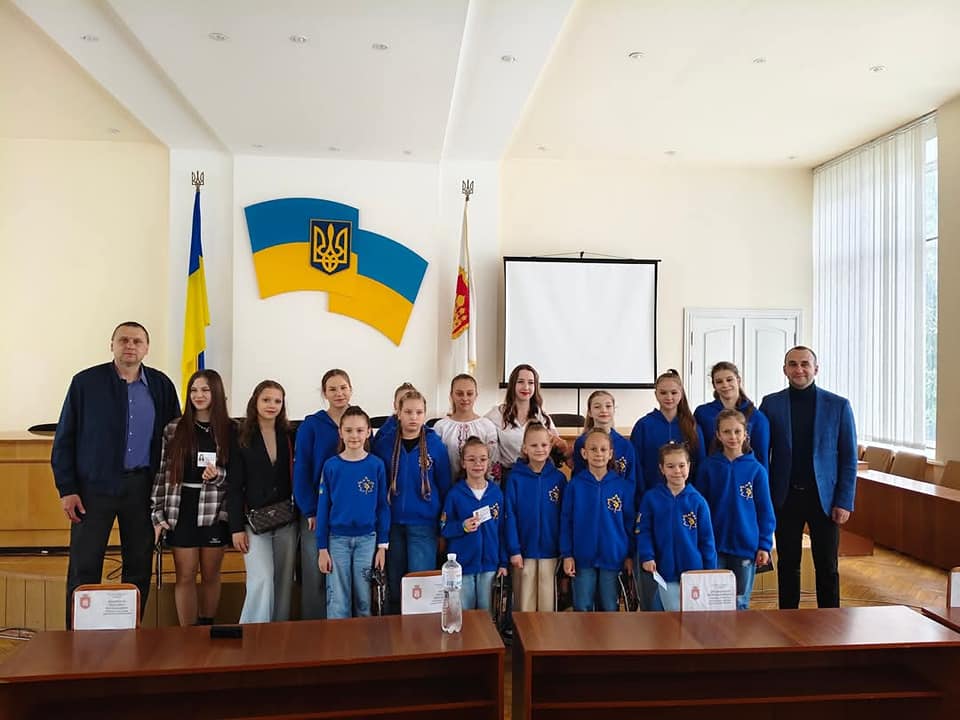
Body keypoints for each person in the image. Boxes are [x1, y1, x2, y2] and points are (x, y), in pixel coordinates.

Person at [52, 321, 180, 628]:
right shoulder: (85, 383)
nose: (130, 346)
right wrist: (67, 489)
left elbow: (175, 441)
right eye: (123, 340)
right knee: (85, 564)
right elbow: (65, 438)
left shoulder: (161, 385)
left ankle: (130, 631)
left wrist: (166, 497)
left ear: (147, 348)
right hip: (93, 490)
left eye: (137, 341)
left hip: (143, 489)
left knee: (138, 564)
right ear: (112, 345)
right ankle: (77, 634)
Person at [759, 346, 857, 609]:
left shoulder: (838, 405)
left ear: (816, 368)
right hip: (785, 498)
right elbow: (762, 454)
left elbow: (848, 458)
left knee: (827, 566)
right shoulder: (771, 404)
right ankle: (788, 621)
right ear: (785, 370)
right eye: (793, 364)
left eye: (805, 364)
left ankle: (830, 621)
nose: (799, 369)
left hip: (825, 500)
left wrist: (844, 501)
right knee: (787, 565)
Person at [151, 369, 233, 626]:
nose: (198, 395)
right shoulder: (174, 428)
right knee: (185, 575)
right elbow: (161, 473)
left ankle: (206, 627)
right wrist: (157, 513)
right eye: (194, 390)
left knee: (211, 574)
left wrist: (219, 475)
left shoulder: (231, 429)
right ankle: (188, 635)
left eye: (205, 390)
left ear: (216, 392)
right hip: (181, 508)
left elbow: (240, 476)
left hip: (215, 511)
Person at [374, 389, 452, 613]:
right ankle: (395, 630)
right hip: (392, 524)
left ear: (425, 414)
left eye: (419, 412)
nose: (413, 417)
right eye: (408, 412)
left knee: (420, 584)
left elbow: (445, 487)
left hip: (424, 525)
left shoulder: (435, 445)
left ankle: (421, 632)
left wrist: (442, 529)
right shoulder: (385, 444)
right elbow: (379, 486)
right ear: (398, 413)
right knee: (396, 584)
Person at [227, 380, 297, 623]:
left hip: (286, 519)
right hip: (252, 521)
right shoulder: (240, 435)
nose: (272, 405)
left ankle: (278, 634)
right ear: (255, 401)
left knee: (283, 581)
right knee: (262, 578)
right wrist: (236, 528)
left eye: (277, 401)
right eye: (266, 400)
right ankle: (253, 634)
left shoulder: (289, 435)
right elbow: (234, 485)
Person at [694, 409, 774, 610]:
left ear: (746, 434)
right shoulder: (707, 468)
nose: (733, 437)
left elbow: (765, 512)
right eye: (727, 432)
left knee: (740, 602)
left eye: (737, 431)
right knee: (712, 602)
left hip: (745, 547)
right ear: (718, 435)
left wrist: (764, 545)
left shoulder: (757, 471)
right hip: (714, 547)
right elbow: (699, 510)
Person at [316, 406, 390, 619]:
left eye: (359, 430)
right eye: (348, 430)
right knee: (338, 600)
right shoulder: (331, 466)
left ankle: (365, 638)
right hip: (337, 541)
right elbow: (323, 508)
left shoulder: (376, 465)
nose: (354, 436)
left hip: (367, 540)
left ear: (368, 432)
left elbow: (383, 506)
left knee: (364, 599)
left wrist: (382, 546)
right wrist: (322, 548)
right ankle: (339, 640)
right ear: (340, 432)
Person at [293, 368, 352, 620]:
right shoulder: (311, 425)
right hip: (316, 512)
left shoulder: (358, 421)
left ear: (351, 389)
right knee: (314, 572)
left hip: (347, 513)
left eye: (343, 388)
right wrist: (310, 510)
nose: (339, 393)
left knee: (342, 575)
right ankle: (313, 629)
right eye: (332, 389)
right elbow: (302, 469)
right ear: (324, 393)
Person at [636, 442, 718, 611]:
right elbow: (643, 531)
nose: (677, 471)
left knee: (692, 617)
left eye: (681, 465)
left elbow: (707, 540)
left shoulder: (698, 502)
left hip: (693, 573)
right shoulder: (651, 499)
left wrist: (710, 571)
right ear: (662, 469)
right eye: (670, 466)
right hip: (663, 571)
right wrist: (647, 556)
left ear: (689, 466)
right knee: (670, 614)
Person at [560, 429, 634, 612]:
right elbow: (566, 522)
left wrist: (629, 555)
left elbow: (629, 523)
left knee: (609, 606)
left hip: (613, 557)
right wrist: (567, 554)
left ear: (610, 454)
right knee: (582, 605)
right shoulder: (575, 485)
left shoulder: (622, 487)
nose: (598, 454)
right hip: (582, 558)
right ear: (584, 453)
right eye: (593, 449)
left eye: (603, 449)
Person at [504, 422, 567, 611]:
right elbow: (509, 515)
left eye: (544, 445)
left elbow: (565, 517)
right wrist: (514, 549)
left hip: (551, 551)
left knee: (547, 604)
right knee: (524, 603)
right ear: (525, 448)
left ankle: (546, 632)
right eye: (533, 445)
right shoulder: (515, 479)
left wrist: (564, 549)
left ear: (550, 446)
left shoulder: (559, 479)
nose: (539, 449)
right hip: (523, 552)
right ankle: (522, 632)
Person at [440, 437, 507, 611]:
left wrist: (503, 563)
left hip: (489, 565)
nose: (477, 464)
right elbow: (443, 528)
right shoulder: (455, 494)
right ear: (463, 463)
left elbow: (502, 531)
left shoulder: (496, 494)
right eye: (471, 459)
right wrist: (462, 527)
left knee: (487, 614)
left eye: (483, 459)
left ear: (489, 462)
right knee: (465, 613)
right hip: (463, 566)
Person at [630, 369, 706, 497]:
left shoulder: (693, 427)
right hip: (653, 497)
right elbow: (636, 466)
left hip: (686, 498)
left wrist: (694, 496)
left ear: (681, 394)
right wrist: (642, 496)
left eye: (674, 392)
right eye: (663, 393)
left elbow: (701, 465)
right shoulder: (643, 426)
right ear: (656, 394)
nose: (669, 397)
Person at [485, 364, 565, 478]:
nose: (526, 387)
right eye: (520, 382)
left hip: (536, 474)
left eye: (531, 383)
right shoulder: (498, 413)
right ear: (513, 384)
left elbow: (557, 445)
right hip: (509, 475)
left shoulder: (541, 416)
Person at [694, 361, 771, 469]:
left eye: (729, 380)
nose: (725, 385)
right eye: (719, 382)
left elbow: (761, 459)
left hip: (745, 475)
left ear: (738, 380)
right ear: (714, 385)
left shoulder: (757, 418)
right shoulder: (702, 413)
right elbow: (698, 453)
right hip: (713, 474)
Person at [433, 374, 500, 479]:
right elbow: (436, 462)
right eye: (459, 394)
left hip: (480, 486)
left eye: (469, 394)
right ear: (451, 395)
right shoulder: (440, 427)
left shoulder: (487, 426)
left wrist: (491, 487)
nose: (465, 398)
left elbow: (493, 462)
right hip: (448, 486)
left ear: (476, 395)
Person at [571, 390, 637, 489]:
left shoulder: (626, 445)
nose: (603, 410)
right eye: (597, 407)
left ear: (614, 410)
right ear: (589, 412)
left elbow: (631, 479)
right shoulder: (581, 442)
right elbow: (578, 477)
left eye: (608, 406)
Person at [371, 381, 417, 458]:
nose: (406, 405)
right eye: (401, 401)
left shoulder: (428, 435)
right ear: (395, 405)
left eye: (410, 400)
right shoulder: (384, 433)